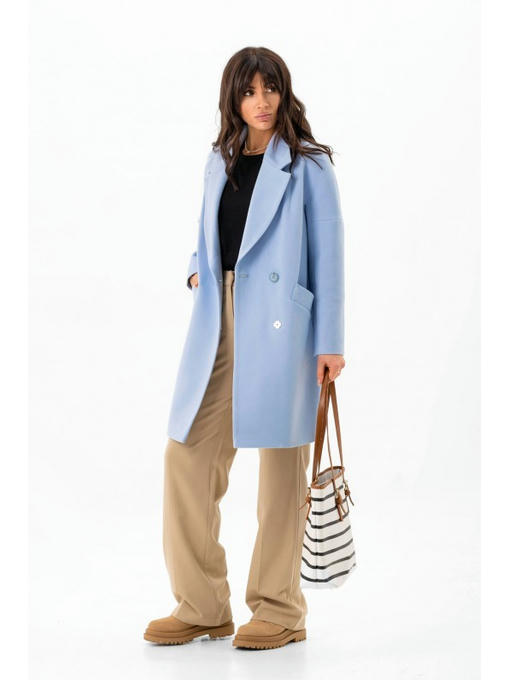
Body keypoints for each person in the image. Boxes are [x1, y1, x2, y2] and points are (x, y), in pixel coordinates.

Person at [144, 46, 346, 650]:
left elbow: (329, 254)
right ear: (233, 99)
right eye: (249, 90)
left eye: (271, 89)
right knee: (186, 454)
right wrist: (196, 269)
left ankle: (280, 609)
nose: (262, 101)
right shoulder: (220, 160)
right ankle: (202, 604)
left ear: (285, 94)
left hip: (283, 323)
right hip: (220, 317)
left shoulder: (308, 165)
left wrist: (330, 341)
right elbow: (210, 231)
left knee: (281, 468)